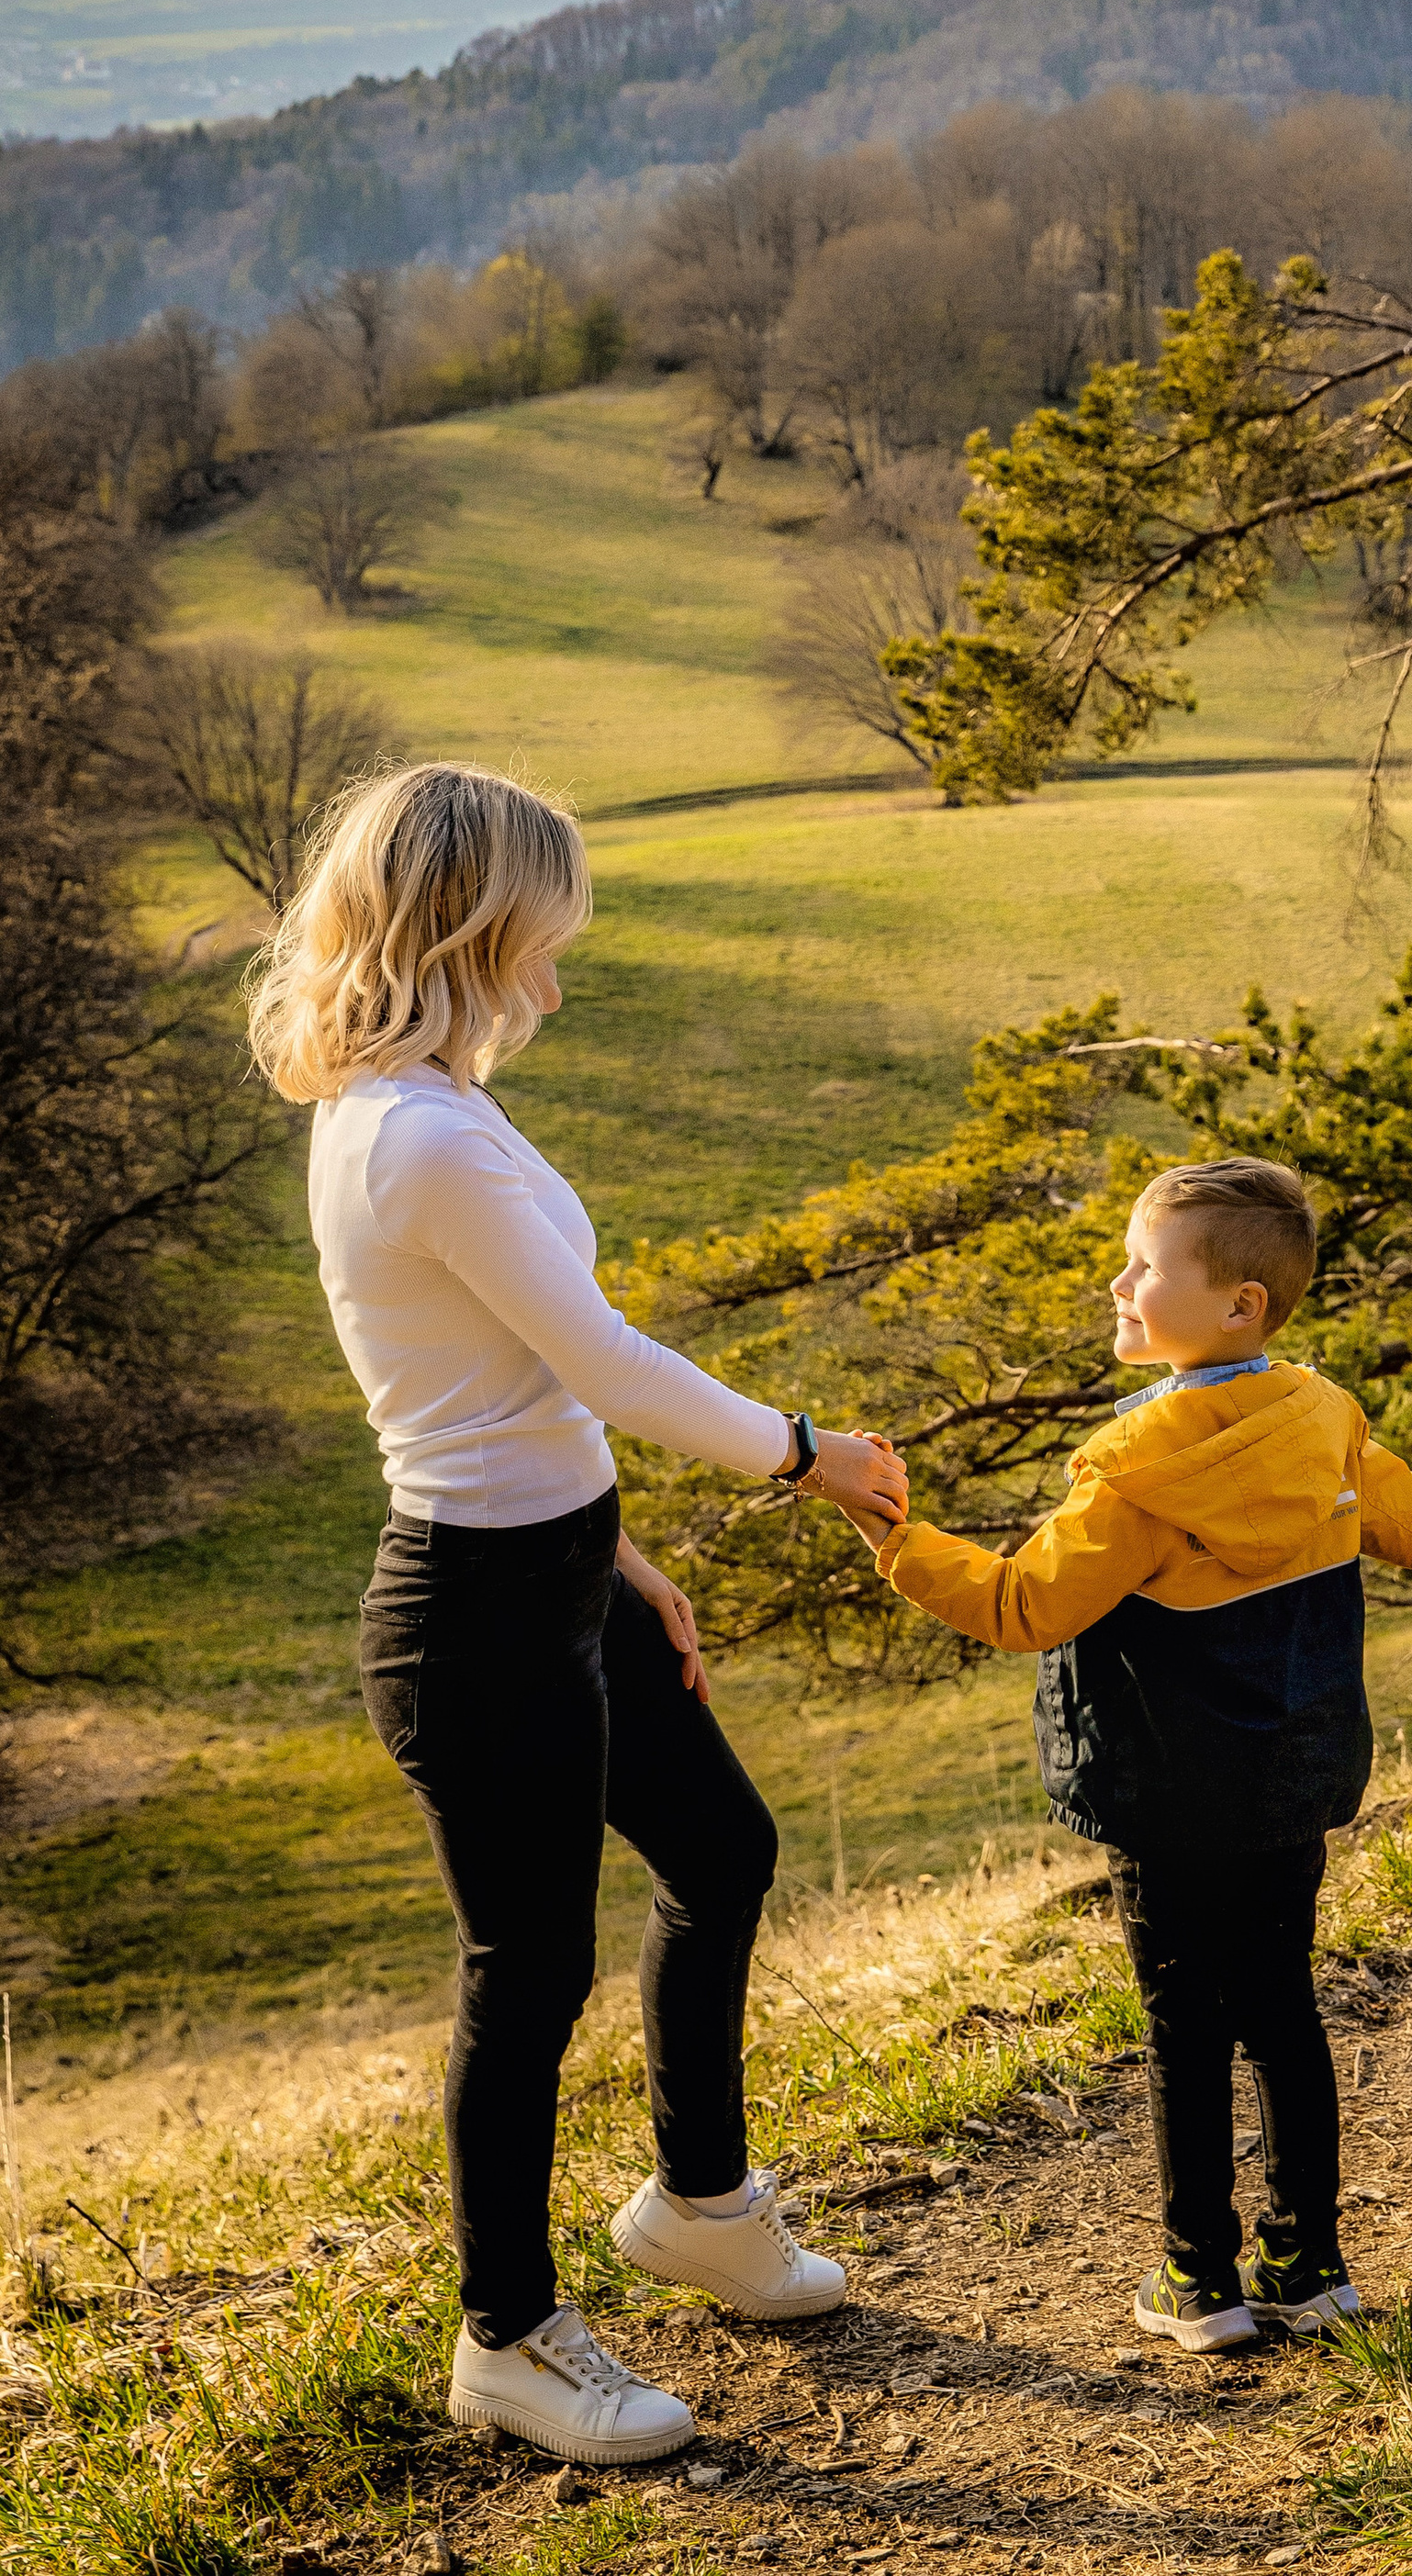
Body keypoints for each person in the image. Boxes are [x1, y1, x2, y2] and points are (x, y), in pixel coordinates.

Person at [249, 762, 908, 2468]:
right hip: (471, 1617)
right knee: (524, 1974)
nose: (558, 969)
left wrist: (616, 1555)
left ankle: (697, 2207)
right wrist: (807, 1455)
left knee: (727, 1852)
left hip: (559, 1572)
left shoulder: (434, 1101)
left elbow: (498, 1385)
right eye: (542, 934)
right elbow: (598, 1359)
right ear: (467, 928)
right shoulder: (412, 1132)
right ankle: (512, 2338)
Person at [827, 1155, 1412, 2352]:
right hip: (1290, 1779)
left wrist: (895, 1535)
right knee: (1282, 2008)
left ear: (1240, 1307)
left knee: (1185, 2023)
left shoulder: (1135, 1475)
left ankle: (1199, 2280)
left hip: (1165, 1797)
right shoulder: (1323, 1421)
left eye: (1146, 1266)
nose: (1119, 1282)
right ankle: (1309, 2262)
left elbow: (1025, 1607)